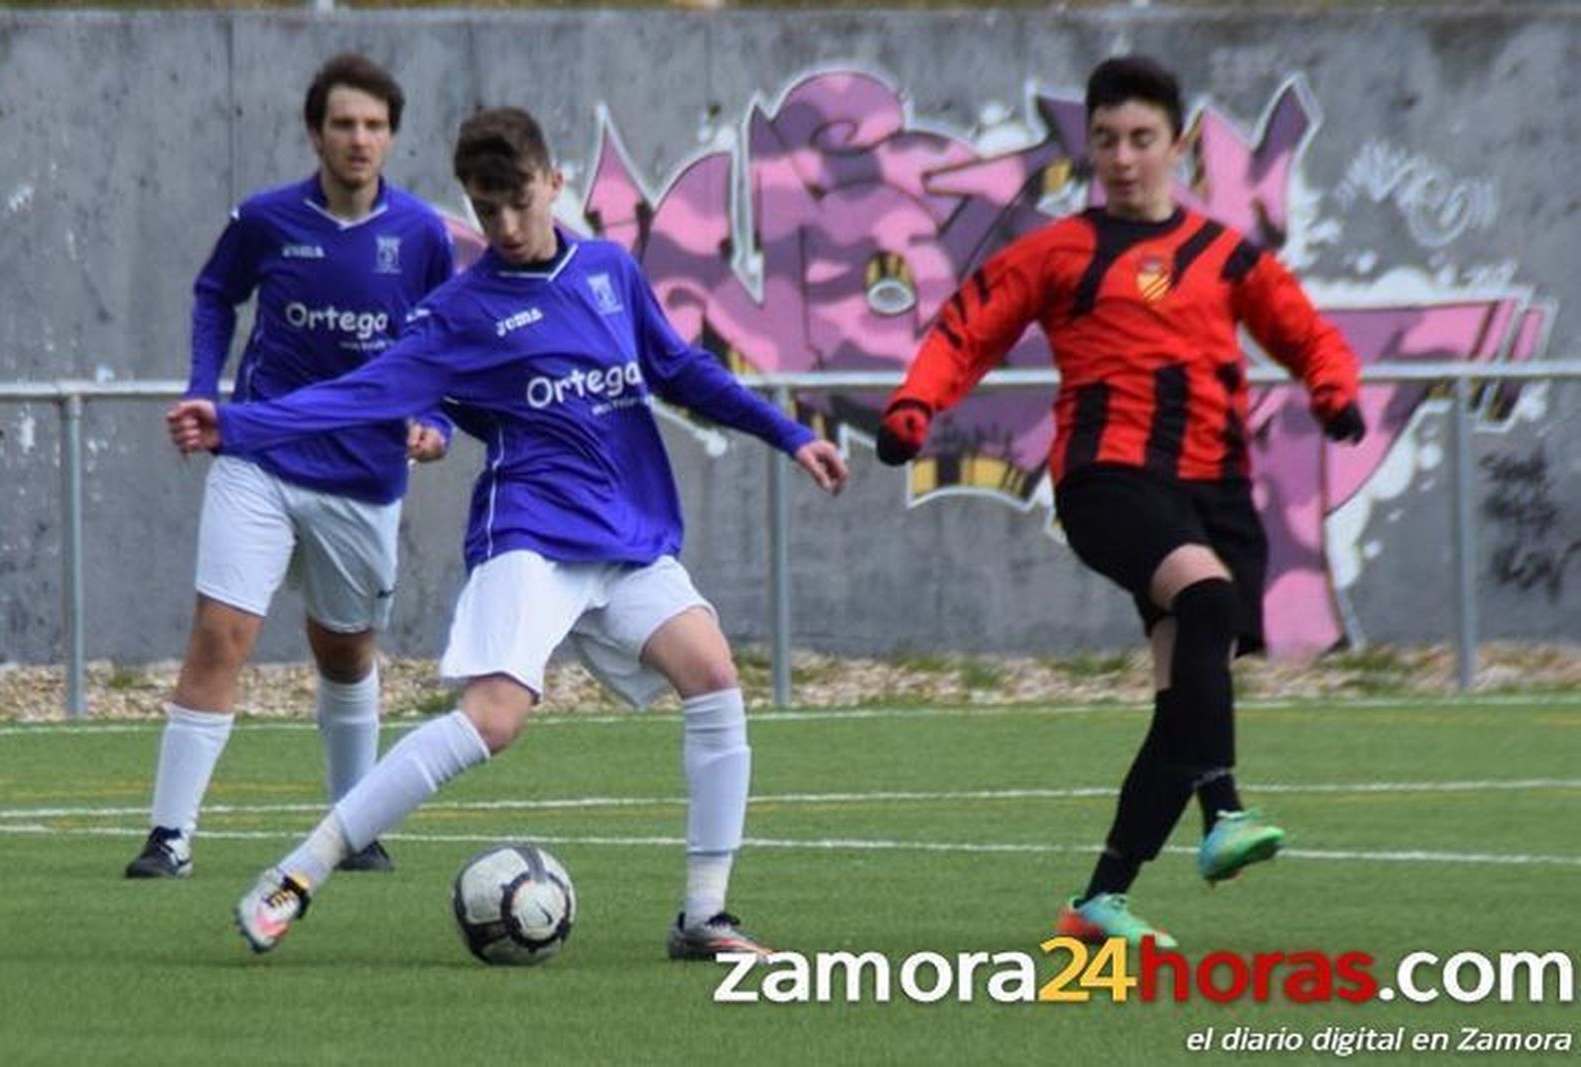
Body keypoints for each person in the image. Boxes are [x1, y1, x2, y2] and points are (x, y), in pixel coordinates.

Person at [167, 106, 849, 959]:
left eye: (519, 201)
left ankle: (703, 916)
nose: (505, 224)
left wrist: (791, 435)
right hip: (529, 532)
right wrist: (239, 425)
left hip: (627, 536)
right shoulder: (462, 311)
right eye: (486, 208)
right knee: (493, 718)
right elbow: (364, 393)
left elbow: (682, 370)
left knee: (714, 676)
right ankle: (299, 873)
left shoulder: (608, 271)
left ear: (554, 183)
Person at [875, 55, 1365, 946]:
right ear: (1090, 148)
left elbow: (1305, 329)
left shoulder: (1224, 255)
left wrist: (1332, 388)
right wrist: (916, 404)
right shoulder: (1058, 252)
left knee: (1185, 691)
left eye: (1142, 139)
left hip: (1214, 494)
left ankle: (1099, 899)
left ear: (1179, 145)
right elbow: (967, 326)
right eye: (1106, 140)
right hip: (1108, 481)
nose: (1124, 157)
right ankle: (1224, 811)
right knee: (1208, 600)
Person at [125, 54, 457, 880]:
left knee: (345, 654)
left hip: (364, 475)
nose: (359, 139)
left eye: (375, 125)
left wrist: (436, 417)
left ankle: (353, 826)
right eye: (344, 123)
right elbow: (213, 294)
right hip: (260, 459)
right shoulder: (267, 219)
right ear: (316, 132)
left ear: (391, 137)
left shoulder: (421, 235)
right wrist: (206, 392)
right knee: (220, 635)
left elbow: (447, 342)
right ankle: (169, 835)